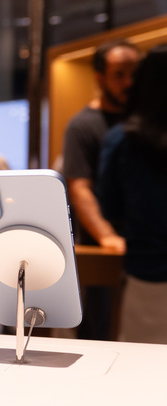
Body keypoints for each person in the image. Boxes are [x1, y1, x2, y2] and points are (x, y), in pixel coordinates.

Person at [61, 39, 140, 340]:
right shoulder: (83, 125)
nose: (129, 82)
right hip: (101, 247)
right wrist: (107, 235)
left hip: (145, 245)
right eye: (119, 74)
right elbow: (79, 186)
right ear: (100, 77)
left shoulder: (145, 122)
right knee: (100, 335)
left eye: (134, 73)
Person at [97, 44, 167, 344]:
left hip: (147, 270)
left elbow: (110, 204)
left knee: (146, 376)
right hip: (146, 268)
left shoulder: (123, 139)